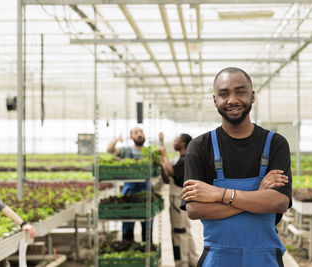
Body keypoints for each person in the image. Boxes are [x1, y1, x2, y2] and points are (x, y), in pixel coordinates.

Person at [181, 67, 292, 267]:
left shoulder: (275, 143)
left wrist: (217, 194)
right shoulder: (199, 147)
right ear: (215, 100)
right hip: (218, 258)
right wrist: (257, 196)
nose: (232, 100)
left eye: (240, 92)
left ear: (252, 96)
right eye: (224, 94)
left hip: (264, 258)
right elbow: (195, 209)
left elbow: (278, 202)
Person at [158, 132, 199, 267]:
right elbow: (168, 175)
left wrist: (163, 154)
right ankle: (193, 261)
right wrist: (162, 145)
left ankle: (182, 263)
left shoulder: (186, 158)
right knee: (185, 231)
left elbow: (173, 172)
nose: (174, 142)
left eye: (176, 139)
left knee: (179, 232)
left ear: (182, 143)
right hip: (179, 200)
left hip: (178, 201)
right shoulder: (180, 158)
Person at [107, 127, 152, 242]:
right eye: (136, 133)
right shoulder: (126, 151)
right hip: (129, 193)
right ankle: (128, 247)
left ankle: (146, 253)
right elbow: (109, 150)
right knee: (128, 225)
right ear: (131, 137)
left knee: (147, 228)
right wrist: (116, 140)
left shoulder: (150, 152)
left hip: (146, 192)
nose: (139, 134)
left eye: (141, 132)